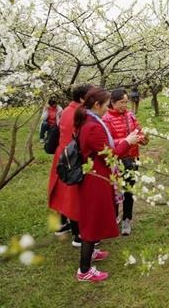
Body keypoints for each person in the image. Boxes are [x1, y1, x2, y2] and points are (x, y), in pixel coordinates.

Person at [74, 88, 141, 282]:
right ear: (97, 105)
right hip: (94, 179)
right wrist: (128, 141)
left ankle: (92, 253)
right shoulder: (93, 126)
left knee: (94, 217)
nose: (107, 109)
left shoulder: (89, 121)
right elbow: (110, 153)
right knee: (92, 220)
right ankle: (84, 270)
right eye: (105, 105)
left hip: (96, 175)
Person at [48, 85, 92, 246]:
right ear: (82, 98)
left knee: (62, 192)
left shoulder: (66, 110)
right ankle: (79, 234)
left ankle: (61, 225)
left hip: (63, 155)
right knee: (74, 195)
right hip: (74, 157)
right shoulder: (80, 113)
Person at [103, 88, 148, 236]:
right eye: (121, 102)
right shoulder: (106, 119)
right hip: (116, 160)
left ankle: (127, 219)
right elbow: (107, 143)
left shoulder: (130, 116)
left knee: (129, 190)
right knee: (115, 191)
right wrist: (126, 141)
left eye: (126, 102)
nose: (125, 105)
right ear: (113, 102)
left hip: (132, 158)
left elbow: (138, 131)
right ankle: (114, 216)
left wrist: (143, 138)